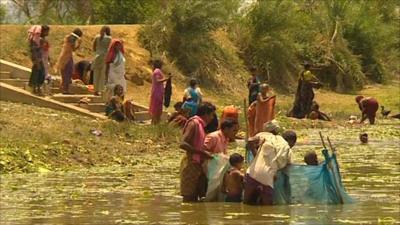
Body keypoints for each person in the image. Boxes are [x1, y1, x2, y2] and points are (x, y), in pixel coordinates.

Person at [244, 130, 297, 205]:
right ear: (292, 142)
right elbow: (286, 169)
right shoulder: (287, 149)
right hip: (267, 177)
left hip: (252, 173)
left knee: (246, 204)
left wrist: (252, 147)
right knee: (267, 209)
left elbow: (250, 140)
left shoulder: (269, 137)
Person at [179, 102, 216, 202]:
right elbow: (183, 143)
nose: (212, 118)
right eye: (211, 115)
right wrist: (202, 153)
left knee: (196, 197)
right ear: (205, 113)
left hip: (197, 164)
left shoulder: (200, 125)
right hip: (190, 163)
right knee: (189, 197)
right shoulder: (194, 123)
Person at [57, 28, 83, 94]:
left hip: (66, 57)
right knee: (67, 72)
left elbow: (72, 49)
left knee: (67, 72)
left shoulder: (69, 38)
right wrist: (79, 43)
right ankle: (65, 89)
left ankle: (64, 88)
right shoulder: (70, 38)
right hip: (66, 57)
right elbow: (73, 48)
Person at [28, 25, 50, 95]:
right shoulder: (36, 39)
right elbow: (34, 50)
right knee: (37, 72)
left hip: (40, 58)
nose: (48, 33)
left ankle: (38, 88)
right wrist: (36, 60)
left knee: (41, 73)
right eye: (47, 31)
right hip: (37, 58)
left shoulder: (41, 39)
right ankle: (34, 89)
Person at [92, 26, 112, 96]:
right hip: (105, 57)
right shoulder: (109, 38)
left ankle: (95, 90)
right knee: (102, 75)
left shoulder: (97, 37)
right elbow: (110, 49)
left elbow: (93, 48)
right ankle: (101, 90)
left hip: (97, 56)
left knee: (96, 74)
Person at [149, 59, 170, 124]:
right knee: (156, 108)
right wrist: (166, 79)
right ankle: (155, 122)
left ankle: (156, 122)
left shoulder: (156, 71)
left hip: (158, 92)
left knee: (156, 107)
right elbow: (157, 80)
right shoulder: (157, 71)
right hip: (157, 93)